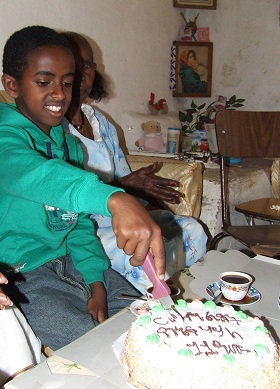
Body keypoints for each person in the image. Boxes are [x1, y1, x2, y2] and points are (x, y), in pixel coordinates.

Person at [0, 25, 166, 351]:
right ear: (12, 85)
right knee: (92, 351)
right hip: (21, 278)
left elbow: (75, 223)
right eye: (44, 82)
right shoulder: (5, 137)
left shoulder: (69, 145)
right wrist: (116, 199)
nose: (60, 94)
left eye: (67, 81)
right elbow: (41, 176)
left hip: (73, 264)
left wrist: (96, 281)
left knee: (149, 329)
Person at [62, 32, 208, 294]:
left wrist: (144, 192)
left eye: (87, 65)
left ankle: (168, 293)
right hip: (80, 231)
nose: (81, 74)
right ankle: (146, 311)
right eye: (72, 63)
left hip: (124, 221)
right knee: (135, 250)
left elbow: (125, 182)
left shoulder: (100, 122)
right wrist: (123, 186)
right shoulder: (49, 127)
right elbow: (60, 200)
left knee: (191, 229)